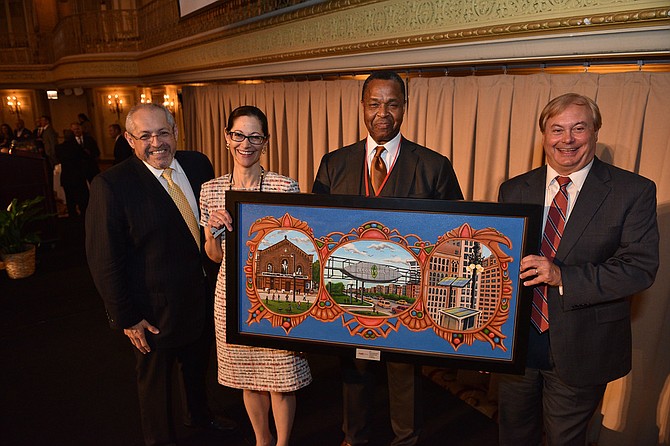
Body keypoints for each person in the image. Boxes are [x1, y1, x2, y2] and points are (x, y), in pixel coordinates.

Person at [496, 93, 659, 446]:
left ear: (596, 132)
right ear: (544, 136)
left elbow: (639, 269)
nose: (566, 140)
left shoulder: (633, 191)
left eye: (578, 128)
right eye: (557, 129)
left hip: (583, 347)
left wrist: (561, 276)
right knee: (512, 435)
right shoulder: (513, 189)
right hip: (517, 348)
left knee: (564, 440)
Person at [312, 71, 463, 446]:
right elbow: (317, 229)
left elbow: (456, 235)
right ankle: (354, 437)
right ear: (363, 107)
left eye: (393, 104)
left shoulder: (434, 165)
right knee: (353, 371)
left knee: (405, 375)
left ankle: (406, 439)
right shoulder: (334, 163)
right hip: (350, 294)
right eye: (375, 104)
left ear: (405, 108)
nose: (384, 113)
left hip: (408, 299)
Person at [85, 103, 236, 446]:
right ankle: (160, 439)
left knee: (198, 367)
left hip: (200, 297)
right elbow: (103, 259)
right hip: (152, 311)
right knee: (156, 386)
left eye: (164, 132)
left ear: (176, 132)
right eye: (146, 135)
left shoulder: (199, 165)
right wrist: (126, 317)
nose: (157, 142)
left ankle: (200, 415)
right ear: (129, 139)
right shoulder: (111, 185)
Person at [201, 105, 312, 446]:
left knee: (282, 378)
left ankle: (282, 443)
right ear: (226, 138)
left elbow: (300, 245)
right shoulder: (210, 190)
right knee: (248, 377)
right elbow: (215, 257)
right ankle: (262, 440)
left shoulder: (284, 187)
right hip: (231, 294)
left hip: (277, 295)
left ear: (266, 141)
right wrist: (211, 233)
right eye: (238, 135)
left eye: (254, 137)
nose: (245, 144)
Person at [56, 128, 89, 218]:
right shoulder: (77, 147)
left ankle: (72, 217)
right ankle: (83, 216)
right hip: (78, 176)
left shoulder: (59, 148)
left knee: (70, 199)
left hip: (66, 177)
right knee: (82, 199)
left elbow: (57, 159)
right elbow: (85, 157)